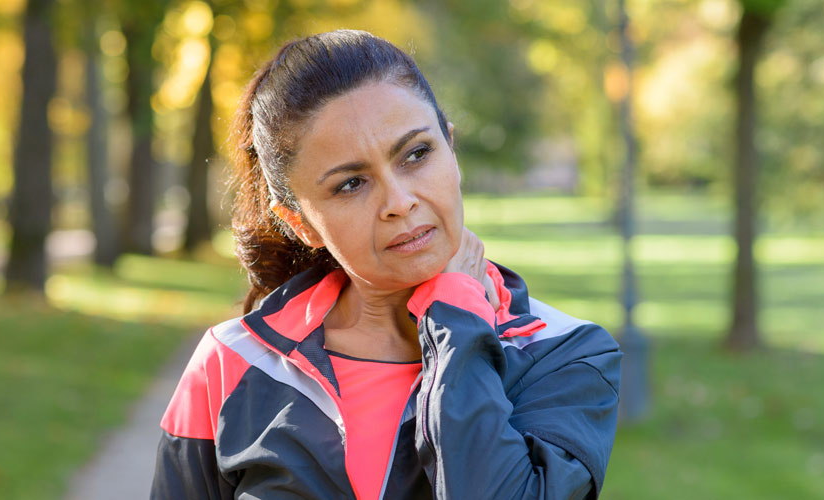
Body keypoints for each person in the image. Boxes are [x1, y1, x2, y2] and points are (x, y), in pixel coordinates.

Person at [150, 29, 621, 500]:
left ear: (451, 152)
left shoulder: (564, 352)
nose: (399, 201)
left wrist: (456, 318)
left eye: (417, 154)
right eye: (351, 184)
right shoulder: (233, 362)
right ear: (300, 223)